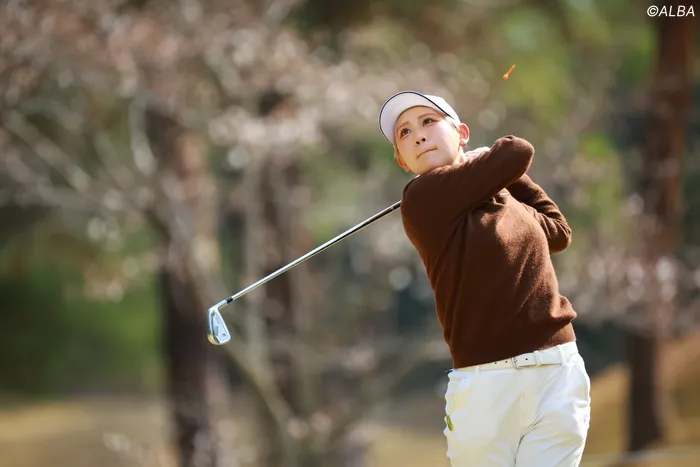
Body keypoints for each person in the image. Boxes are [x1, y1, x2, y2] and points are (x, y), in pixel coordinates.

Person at [378, 91, 592, 466]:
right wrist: (487, 162)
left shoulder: (505, 198)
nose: (418, 135)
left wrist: (506, 180)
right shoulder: (422, 198)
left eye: (428, 121)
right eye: (405, 133)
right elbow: (517, 150)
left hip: (557, 372)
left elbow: (559, 232)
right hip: (487, 384)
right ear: (403, 161)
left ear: (462, 132)